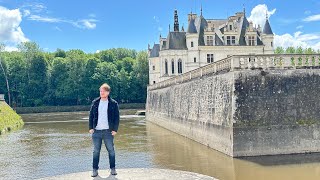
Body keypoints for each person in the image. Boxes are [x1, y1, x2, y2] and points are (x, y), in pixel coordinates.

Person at [89, 83, 120, 177]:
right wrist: (90, 127)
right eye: (100, 91)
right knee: (96, 151)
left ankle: (113, 168)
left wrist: (115, 129)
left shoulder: (113, 103)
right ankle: (94, 170)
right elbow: (91, 116)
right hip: (96, 131)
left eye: (103, 91)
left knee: (111, 150)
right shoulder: (95, 102)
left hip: (108, 131)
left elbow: (117, 117)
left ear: (108, 92)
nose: (101, 92)